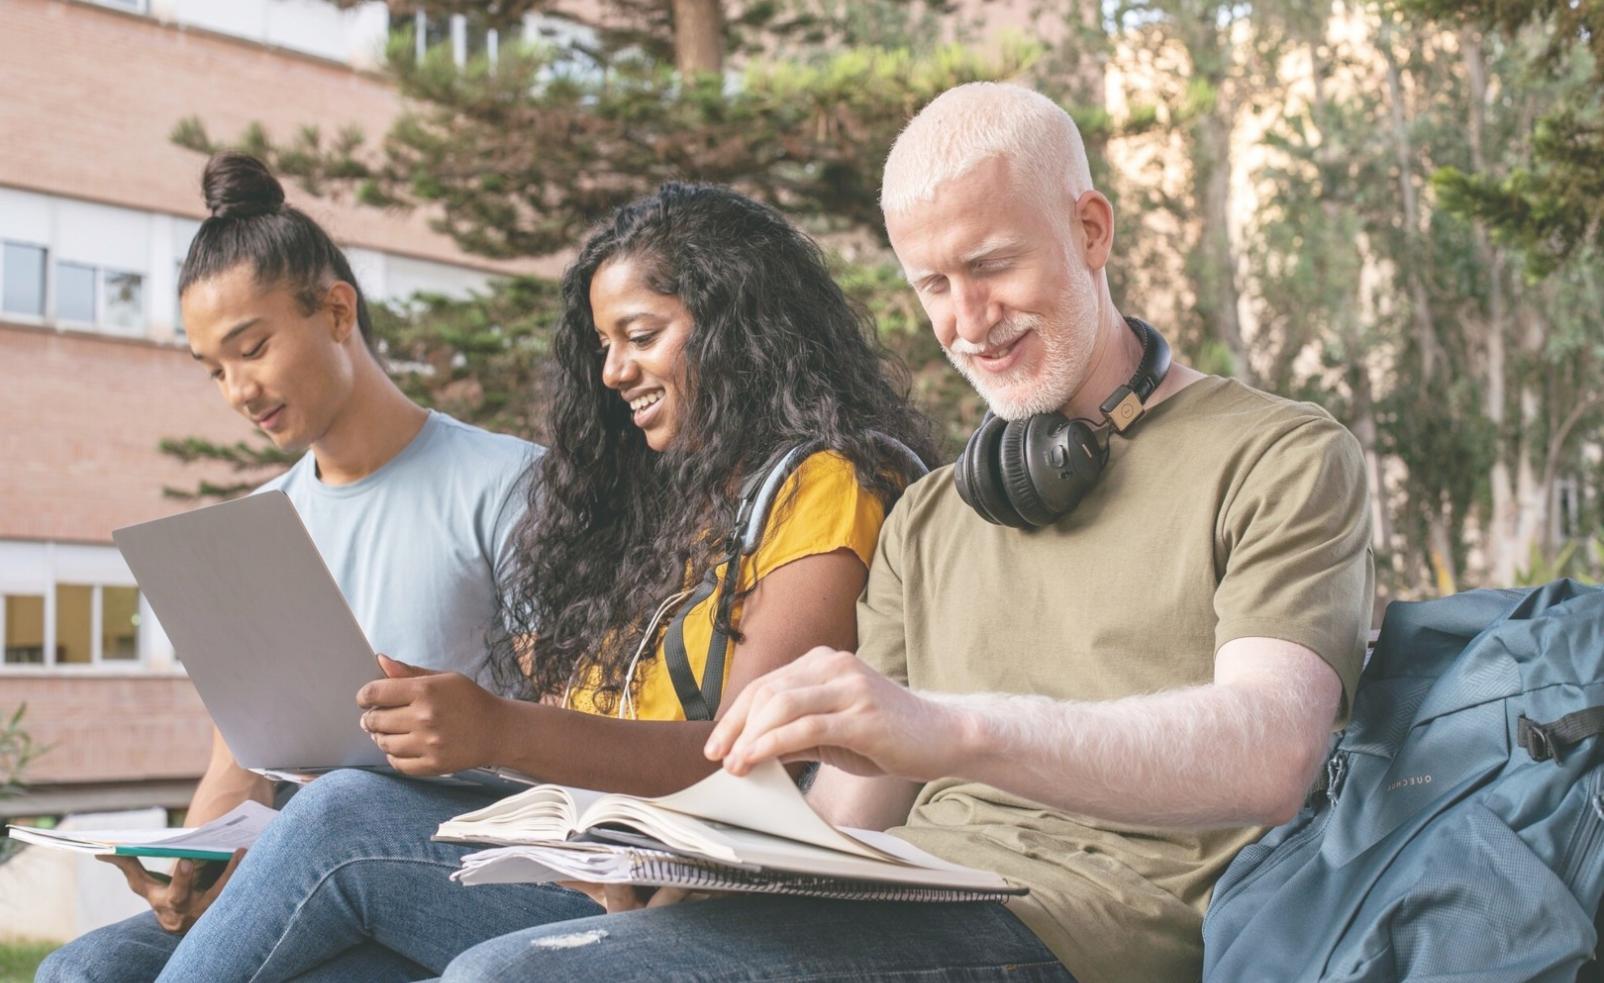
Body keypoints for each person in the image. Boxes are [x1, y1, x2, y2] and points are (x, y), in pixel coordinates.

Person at [437, 82, 1374, 983]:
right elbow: (850, 814)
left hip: (1094, 925)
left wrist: (950, 727)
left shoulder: (1277, 453)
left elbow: (1271, 751)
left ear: (1092, 229)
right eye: (934, 283)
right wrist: (671, 885)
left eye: (992, 265)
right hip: (902, 895)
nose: (969, 322)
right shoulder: (928, 517)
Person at [145, 182, 937, 980]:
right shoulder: (668, 513)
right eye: (603, 344)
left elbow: (745, 756)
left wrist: (496, 729)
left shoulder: (824, 487)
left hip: (683, 894)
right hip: (578, 863)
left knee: (341, 815)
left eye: (640, 335)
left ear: (740, 324)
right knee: (106, 960)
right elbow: (582, 725)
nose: (613, 370)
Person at [36, 152, 540, 983]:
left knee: (342, 806)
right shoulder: (258, 526)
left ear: (337, 311)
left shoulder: (509, 483)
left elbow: (582, 724)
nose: (238, 389)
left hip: (476, 870)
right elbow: (238, 770)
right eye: (215, 369)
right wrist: (189, 867)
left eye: (253, 348)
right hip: (312, 874)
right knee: (82, 969)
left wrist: (464, 731)